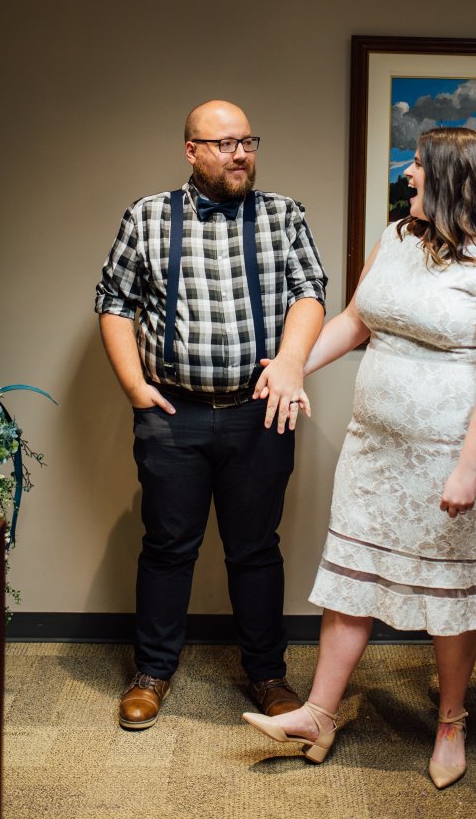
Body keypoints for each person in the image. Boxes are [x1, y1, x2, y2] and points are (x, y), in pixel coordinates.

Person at [243, 127, 476, 789]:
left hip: (449, 455)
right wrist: (292, 368)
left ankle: (451, 722)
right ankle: (318, 714)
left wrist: (466, 468)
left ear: (453, 179)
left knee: (447, 592)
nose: (407, 175)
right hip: (373, 447)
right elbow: (353, 320)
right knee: (351, 576)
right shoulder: (398, 238)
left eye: (417, 167)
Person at [95, 99, 327, 730]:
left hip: (260, 412)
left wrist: (290, 362)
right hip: (175, 415)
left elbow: (310, 293)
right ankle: (152, 673)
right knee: (168, 546)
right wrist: (135, 386)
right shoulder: (148, 216)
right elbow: (114, 301)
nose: (240, 153)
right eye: (223, 143)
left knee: (256, 550)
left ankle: (268, 675)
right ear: (191, 151)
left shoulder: (283, 215)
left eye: (247, 140)